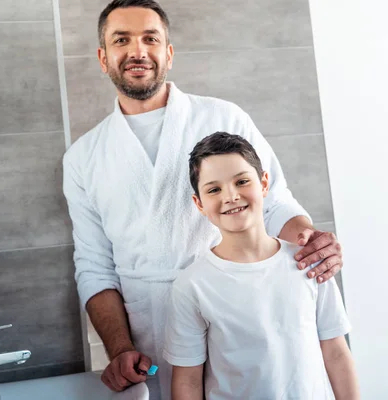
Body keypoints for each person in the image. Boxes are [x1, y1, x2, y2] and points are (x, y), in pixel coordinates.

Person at [62, 0, 345, 398]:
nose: (137, 51)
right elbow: (94, 264)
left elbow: (276, 201)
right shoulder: (83, 158)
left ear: (169, 53)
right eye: (121, 40)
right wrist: (120, 348)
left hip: (240, 307)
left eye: (150, 38)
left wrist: (311, 243)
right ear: (103, 57)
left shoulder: (224, 117)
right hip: (153, 331)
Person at [163, 132, 359, 399]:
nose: (231, 196)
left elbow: (336, 353)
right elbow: (188, 381)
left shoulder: (308, 264)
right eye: (213, 189)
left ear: (264, 183)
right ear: (199, 203)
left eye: (242, 181)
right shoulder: (193, 286)